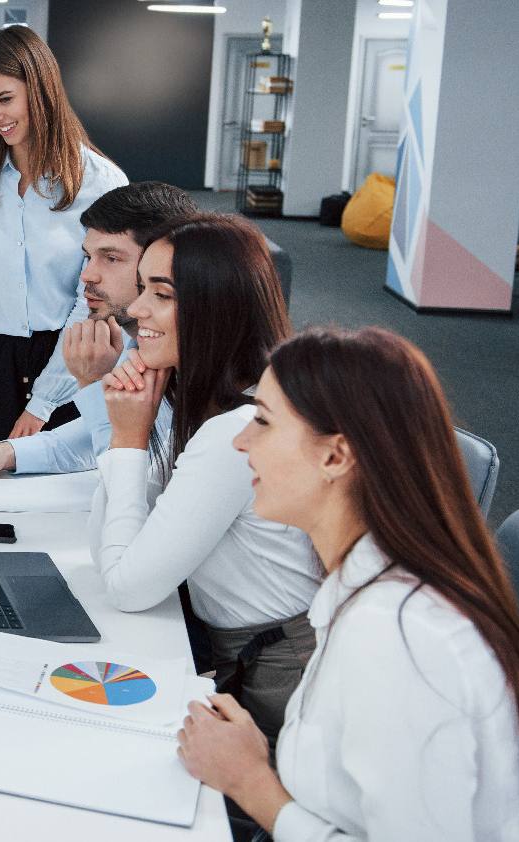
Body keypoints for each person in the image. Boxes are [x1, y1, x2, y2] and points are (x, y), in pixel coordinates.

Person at [177, 326, 519, 842]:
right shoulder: (370, 581)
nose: (240, 441)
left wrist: (251, 783)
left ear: (335, 457)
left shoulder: (398, 639)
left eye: (263, 421)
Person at [88, 213, 320, 741]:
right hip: (246, 653)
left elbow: (125, 587)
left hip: (280, 678)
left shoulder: (237, 432)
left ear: (217, 308)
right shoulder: (226, 403)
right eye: (142, 288)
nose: (136, 309)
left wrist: (127, 440)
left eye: (162, 294)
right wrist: (131, 435)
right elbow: (110, 549)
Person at [0, 182, 197, 483]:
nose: (86, 275)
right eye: (88, 257)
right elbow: (96, 437)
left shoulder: (193, 361)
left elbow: (130, 480)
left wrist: (92, 384)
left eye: (111, 258)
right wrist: (6, 453)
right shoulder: (138, 344)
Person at [0, 25, 128, 443]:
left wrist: (43, 400)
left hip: (66, 357)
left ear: (41, 90)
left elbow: (93, 299)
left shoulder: (102, 182)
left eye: (5, 99)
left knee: (63, 479)